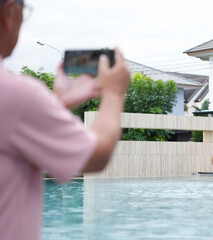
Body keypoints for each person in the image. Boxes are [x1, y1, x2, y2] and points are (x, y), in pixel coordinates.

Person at [0, 1, 130, 240]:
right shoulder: (16, 94)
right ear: (8, 12)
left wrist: (53, 106)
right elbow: (96, 156)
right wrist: (113, 94)